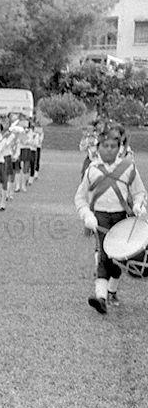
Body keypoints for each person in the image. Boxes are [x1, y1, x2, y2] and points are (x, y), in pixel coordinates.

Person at [74, 127, 147, 314]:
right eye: (105, 146)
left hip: (122, 218)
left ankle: (111, 291)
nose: (109, 149)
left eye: (113, 146)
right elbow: (80, 198)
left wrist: (139, 204)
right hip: (100, 218)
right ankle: (101, 298)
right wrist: (87, 215)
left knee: (118, 258)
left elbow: (139, 192)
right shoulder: (92, 170)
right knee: (104, 256)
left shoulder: (128, 167)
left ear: (119, 148)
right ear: (98, 147)